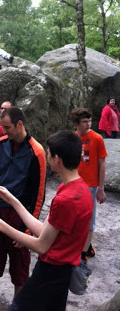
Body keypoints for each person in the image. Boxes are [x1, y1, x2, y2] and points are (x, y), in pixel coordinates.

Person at [0, 130, 93, 311]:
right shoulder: (77, 188)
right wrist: (12, 199)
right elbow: (42, 229)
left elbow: (41, 246)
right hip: (62, 272)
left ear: (58, 160)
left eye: (49, 155)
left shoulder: (66, 200)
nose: (47, 157)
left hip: (50, 272)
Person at [0, 107, 46, 311]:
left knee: (19, 265)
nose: (3, 131)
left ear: (20, 125)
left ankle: (18, 304)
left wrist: (28, 229)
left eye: (7, 127)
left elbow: (38, 194)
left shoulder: (36, 151)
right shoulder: (0, 144)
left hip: (19, 215)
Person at [71, 108, 108, 262]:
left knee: (89, 221)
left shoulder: (97, 138)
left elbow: (102, 164)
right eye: (84, 122)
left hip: (91, 186)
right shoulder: (72, 138)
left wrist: (101, 188)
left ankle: (83, 254)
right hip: (74, 185)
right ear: (76, 123)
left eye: (90, 121)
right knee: (74, 219)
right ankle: (85, 246)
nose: (88, 124)